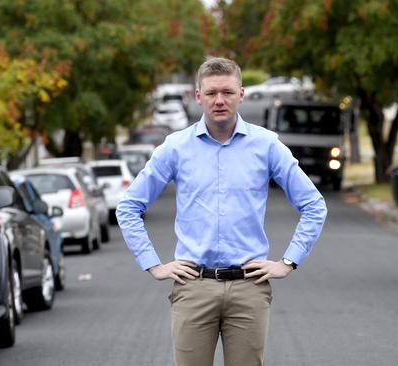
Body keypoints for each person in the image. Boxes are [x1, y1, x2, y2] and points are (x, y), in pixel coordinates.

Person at [116, 57, 327, 366]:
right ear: (197, 96)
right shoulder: (175, 147)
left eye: (227, 92)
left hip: (249, 288)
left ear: (241, 94)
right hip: (193, 287)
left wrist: (288, 261)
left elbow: (313, 204)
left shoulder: (267, 145)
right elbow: (128, 206)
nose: (219, 100)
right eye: (211, 93)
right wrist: (153, 264)